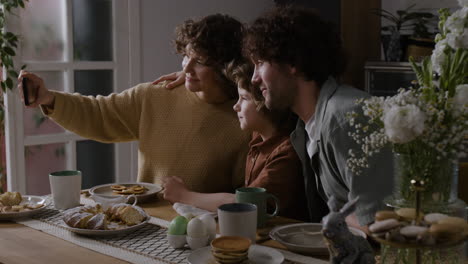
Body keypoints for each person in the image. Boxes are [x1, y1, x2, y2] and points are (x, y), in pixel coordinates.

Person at [17, 14, 251, 194]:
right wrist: (49, 99)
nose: (186, 68)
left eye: (199, 61)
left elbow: (245, 202)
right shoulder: (156, 95)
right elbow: (98, 114)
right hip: (145, 228)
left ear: (225, 67)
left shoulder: (246, 121)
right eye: (186, 56)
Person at [244, 7, 393, 230]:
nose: (254, 78)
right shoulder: (304, 127)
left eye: (260, 63)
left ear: (292, 62)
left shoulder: (345, 118)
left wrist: (335, 221)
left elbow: (378, 223)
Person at [162, 60, 309, 221]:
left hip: (280, 240)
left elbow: (243, 204)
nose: (235, 106)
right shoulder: (259, 136)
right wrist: (189, 75)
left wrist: (184, 195)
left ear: (266, 102)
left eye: (244, 98)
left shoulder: (286, 152)